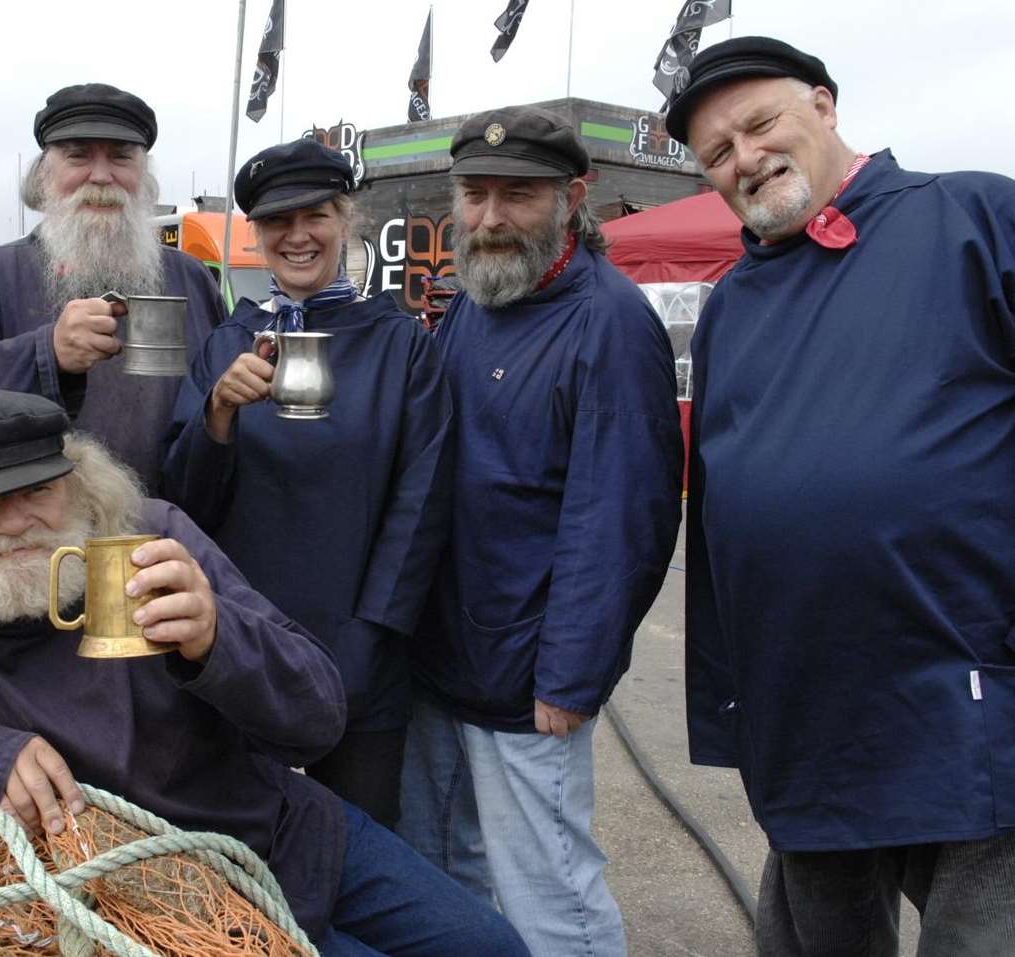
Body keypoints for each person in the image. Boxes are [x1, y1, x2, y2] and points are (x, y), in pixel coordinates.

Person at [0, 389, 528, 957]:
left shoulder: (151, 540)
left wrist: (217, 638)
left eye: (36, 490)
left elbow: (318, 718)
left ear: (78, 485)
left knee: (492, 946)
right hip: (129, 898)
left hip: (269, 829)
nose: (14, 522)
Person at [665, 36, 1015, 956]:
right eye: (717, 154)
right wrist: (736, 703)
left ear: (823, 105)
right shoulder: (734, 302)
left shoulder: (975, 216)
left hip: (968, 696)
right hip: (807, 712)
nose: (745, 159)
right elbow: (726, 506)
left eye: (760, 123)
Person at [398, 106, 684, 956]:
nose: (489, 218)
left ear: (573, 194)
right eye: (474, 195)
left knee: (551, 898)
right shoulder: (477, 303)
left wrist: (572, 674)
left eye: (517, 195)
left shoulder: (609, 321)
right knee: (444, 877)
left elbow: (622, 519)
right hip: (441, 659)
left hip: (530, 680)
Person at [161, 138, 452, 829]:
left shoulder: (401, 343)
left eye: (314, 214)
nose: (297, 236)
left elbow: (422, 502)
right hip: (242, 646)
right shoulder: (228, 341)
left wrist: (369, 636)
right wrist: (218, 413)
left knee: (360, 848)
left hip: (359, 649)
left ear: (345, 220)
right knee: (240, 848)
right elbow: (184, 500)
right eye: (276, 222)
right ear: (256, 236)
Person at [0, 83, 225, 493]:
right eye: (78, 155)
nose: (102, 175)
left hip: (171, 536)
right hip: (34, 538)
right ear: (43, 175)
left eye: (122, 156)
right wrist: (46, 354)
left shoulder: (192, 279)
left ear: (146, 177)